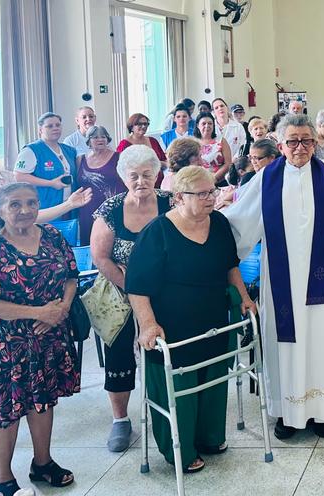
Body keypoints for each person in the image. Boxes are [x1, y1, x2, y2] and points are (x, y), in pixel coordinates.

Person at [224, 113, 324, 439]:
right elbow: (239, 221)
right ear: (281, 144)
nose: (300, 147)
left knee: (319, 337)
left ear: (315, 143)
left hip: (320, 280)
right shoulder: (267, 178)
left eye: (306, 140)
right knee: (283, 341)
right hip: (279, 281)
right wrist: (202, 223)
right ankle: (287, 412)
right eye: (292, 141)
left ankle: (322, 412)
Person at [127, 165, 253, 473]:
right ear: (179, 198)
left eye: (213, 191)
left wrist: (245, 298)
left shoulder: (219, 223)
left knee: (211, 381)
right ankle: (179, 451)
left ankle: (210, 436)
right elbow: (137, 286)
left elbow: (231, 266)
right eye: (203, 193)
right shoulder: (157, 232)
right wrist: (147, 323)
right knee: (178, 388)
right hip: (172, 326)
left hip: (213, 321)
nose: (212, 197)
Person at [0, 183, 81, 495]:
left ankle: (42, 464)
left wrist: (61, 309)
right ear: (0, 211)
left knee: (43, 401)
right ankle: (4, 478)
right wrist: (37, 313)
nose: (25, 210)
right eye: (15, 205)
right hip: (5, 343)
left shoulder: (53, 236)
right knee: (6, 411)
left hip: (49, 336)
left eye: (31, 203)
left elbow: (71, 276)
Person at [90, 145, 173, 452]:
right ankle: (120, 420)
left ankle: (168, 407)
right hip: (118, 292)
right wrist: (134, 290)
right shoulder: (110, 210)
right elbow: (101, 258)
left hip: (165, 290)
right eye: (134, 175)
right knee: (120, 355)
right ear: (123, 176)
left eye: (147, 174)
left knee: (164, 349)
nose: (141, 181)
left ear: (157, 174)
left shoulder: (170, 202)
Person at [14, 112, 77, 211]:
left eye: (58, 125)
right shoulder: (31, 150)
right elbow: (19, 176)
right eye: (50, 126)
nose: (55, 128)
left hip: (70, 207)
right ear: (40, 130)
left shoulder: (69, 150)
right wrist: (50, 183)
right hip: (46, 207)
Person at [76, 126, 127, 244]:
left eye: (103, 137)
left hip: (112, 210)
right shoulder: (80, 159)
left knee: (111, 246)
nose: (100, 140)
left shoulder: (119, 157)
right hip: (87, 211)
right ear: (88, 140)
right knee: (89, 246)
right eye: (95, 137)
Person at [193, 112, 233, 186]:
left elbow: (228, 163)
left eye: (210, 123)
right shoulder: (192, 143)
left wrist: (213, 178)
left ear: (213, 125)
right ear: (198, 125)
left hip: (219, 182)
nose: (207, 126)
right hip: (197, 183)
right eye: (203, 123)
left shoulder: (221, 141)